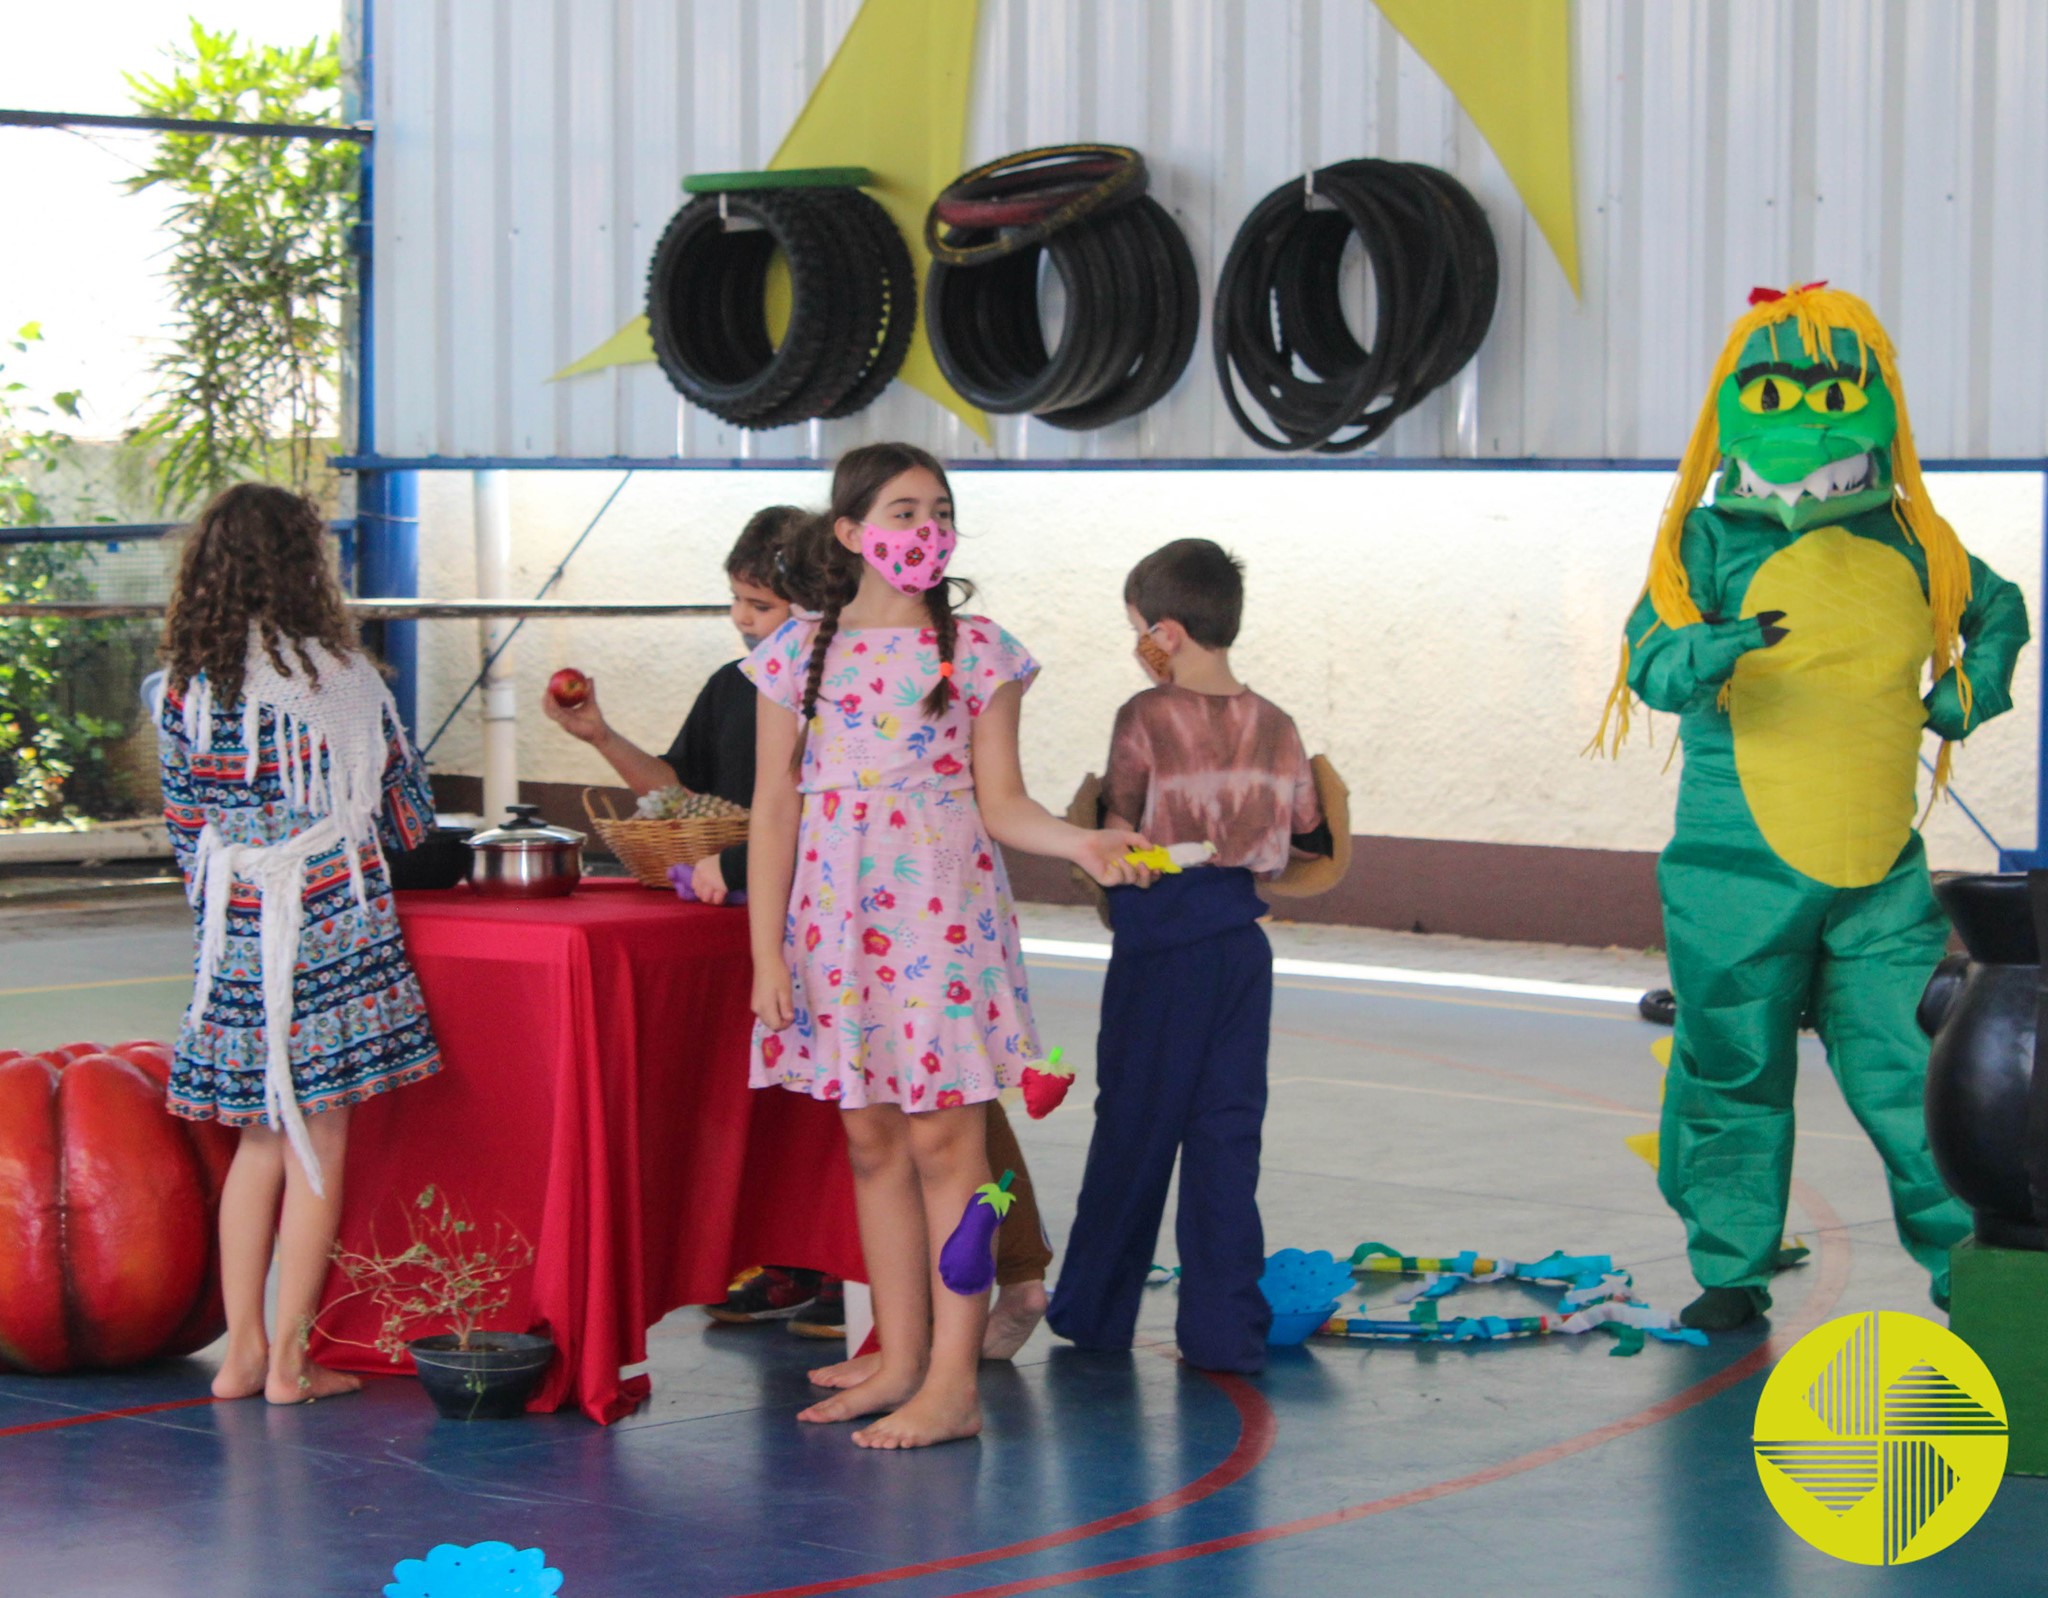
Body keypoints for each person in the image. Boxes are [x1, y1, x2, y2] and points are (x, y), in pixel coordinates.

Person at [1593, 283, 2029, 1330]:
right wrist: (1707, 650)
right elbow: (1646, 659)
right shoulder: (1705, 543)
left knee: (1915, 1068)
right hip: (1732, 873)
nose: (1812, 416)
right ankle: (1729, 1267)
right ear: (1734, 405)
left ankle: (1964, 1271)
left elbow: (1998, 609)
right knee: (1729, 1064)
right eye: (1779, 390)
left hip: (1877, 873)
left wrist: (1965, 689)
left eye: (1839, 390)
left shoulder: (1913, 536)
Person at [745, 442, 1145, 1448]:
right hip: (834, 923)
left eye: (938, 510)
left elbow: (1002, 801)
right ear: (849, 533)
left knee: (945, 1147)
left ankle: (952, 1382)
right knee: (870, 1138)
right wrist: (765, 952)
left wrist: (1082, 838)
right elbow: (769, 814)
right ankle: (900, 1356)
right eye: (901, 509)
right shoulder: (795, 653)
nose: (923, 528)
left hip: (940, 918)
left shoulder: (978, 651)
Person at [155, 483, 441, 1405]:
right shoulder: (344, 682)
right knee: (321, 1138)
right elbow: (405, 819)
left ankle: (239, 1356)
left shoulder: (183, 691)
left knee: (258, 1144)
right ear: (305, 569)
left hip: (238, 927)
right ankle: (290, 1363)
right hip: (331, 920)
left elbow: (184, 827)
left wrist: (224, 927)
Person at [1047, 539, 1330, 1375]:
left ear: (1165, 631)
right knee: (1227, 1138)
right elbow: (1309, 830)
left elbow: (1120, 820)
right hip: (1240, 947)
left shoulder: (1145, 715)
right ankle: (1223, 1331)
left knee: (1133, 1129)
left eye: (1137, 629)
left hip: (1160, 940)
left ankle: (1095, 1313)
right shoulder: (1277, 722)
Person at [542, 503, 803, 906]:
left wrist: (738, 865)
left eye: (761, 606)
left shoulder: (837, 692)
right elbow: (681, 795)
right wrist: (601, 737)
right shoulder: (730, 684)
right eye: (736, 598)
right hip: (724, 892)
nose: (742, 617)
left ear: (812, 605)